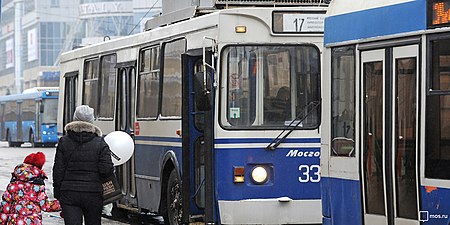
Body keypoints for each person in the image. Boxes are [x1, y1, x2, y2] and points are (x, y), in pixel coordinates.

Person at [53, 105, 114, 225]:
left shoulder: (64, 141)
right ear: (91, 121)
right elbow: (106, 170)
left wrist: (58, 193)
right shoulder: (100, 143)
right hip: (93, 194)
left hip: (69, 194)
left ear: (75, 118)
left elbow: (58, 170)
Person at [0, 152, 61, 225]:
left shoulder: (13, 185)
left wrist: (2, 222)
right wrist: (62, 203)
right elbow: (45, 206)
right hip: (33, 222)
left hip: (14, 222)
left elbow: (5, 207)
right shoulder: (38, 186)